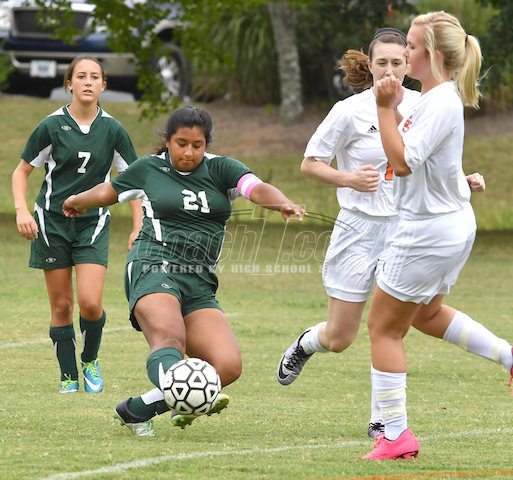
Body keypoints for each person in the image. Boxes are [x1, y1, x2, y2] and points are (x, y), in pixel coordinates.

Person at [276, 26, 512, 441]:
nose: (390, 70)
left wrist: (461, 179)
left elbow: (429, 158)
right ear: (369, 66)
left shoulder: (425, 101)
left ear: (409, 63)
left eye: (397, 62)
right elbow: (310, 164)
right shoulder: (349, 110)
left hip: (407, 227)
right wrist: (348, 178)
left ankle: (383, 422)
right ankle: (306, 344)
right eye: (381, 63)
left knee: (389, 327)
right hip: (357, 229)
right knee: (341, 336)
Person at [62, 106, 306, 436]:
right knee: (170, 338)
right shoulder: (149, 168)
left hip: (199, 281)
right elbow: (110, 191)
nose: (189, 152)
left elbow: (256, 188)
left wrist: (281, 202)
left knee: (227, 366)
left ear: (207, 144)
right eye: (181, 144)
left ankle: (139, 409)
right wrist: (78, 200)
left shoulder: (222, 169)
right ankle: (187, 398)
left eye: (197, 145)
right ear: (167, 140)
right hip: (153, 265)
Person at [361, 11, 487, 459]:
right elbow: (427, 161)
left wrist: (382, 110)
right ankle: (509, 357)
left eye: (411, 47)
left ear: (432, 55)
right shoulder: (432, 98)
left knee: (382, 328)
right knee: (426, 314)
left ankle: (396, 435)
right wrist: (395, 107)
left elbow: (402, 163)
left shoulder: (441, 101)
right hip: (445, 226)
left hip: (426, 233)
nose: (404, 52)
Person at [12, 55, 142, 394]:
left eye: (94, 76)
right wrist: (22, 212)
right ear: (69, 84)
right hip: (51, 223)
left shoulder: (113, 130)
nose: (87, 82)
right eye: (81, 76)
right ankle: (68, 376)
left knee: (90, 303)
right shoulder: (51, 126)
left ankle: (90, 360)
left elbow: (133, 182)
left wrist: (137, 225)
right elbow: (21, 172)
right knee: (61, 307)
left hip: (92, 224)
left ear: (103, 85)